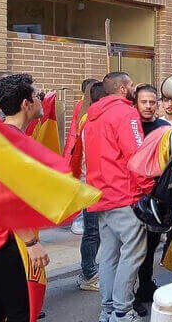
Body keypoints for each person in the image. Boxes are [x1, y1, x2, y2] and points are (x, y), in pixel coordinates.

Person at [83, 72, 146, 322]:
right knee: (133, 252)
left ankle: (109, 309)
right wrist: (147, 188)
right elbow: (137, 156)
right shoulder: (126, 113)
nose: (134, 88)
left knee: (109, 255)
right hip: (123, 195)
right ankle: (122, 311)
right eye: (131, 85)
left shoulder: (91, 116)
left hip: (101, 196)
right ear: (121, 89)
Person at [0, 74, 50, 322]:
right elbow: (6, 197)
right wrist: (31, 243)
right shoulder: (11, 142)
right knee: (21, 312)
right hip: (7, 241)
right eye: (37, 96)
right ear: (26, 104)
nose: (41, 100)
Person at [132, 85, 170, 316]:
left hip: (156, 197)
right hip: (134, 197)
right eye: (143, 102)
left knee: (151, 247)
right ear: (135, 103)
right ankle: (131, 293)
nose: (148, 106)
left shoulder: (164, 128)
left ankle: (146, 286)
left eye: (152, 102)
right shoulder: (130, 127)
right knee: (135, 250)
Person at [76, 82, 106, 293]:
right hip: (92, 185)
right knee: (93, 232)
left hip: (90, 183)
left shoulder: (87, 118)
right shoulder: (92, 120)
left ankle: (88, 271)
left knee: (93, 231)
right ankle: (88, 274)